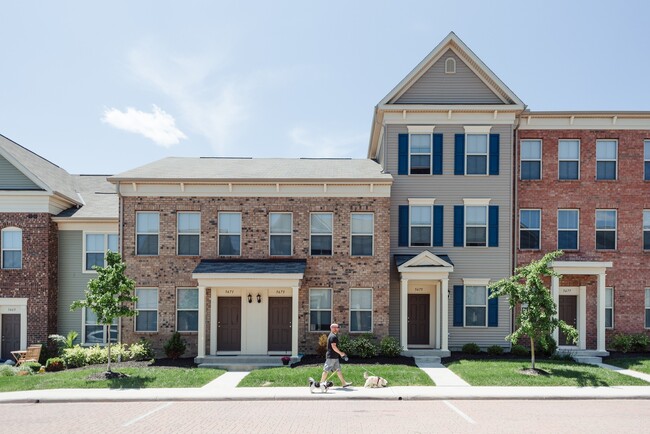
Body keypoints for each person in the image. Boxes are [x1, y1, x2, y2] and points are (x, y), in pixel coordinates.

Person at [320, 323, 352, 387]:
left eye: (338, 327)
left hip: (334, 357)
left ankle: (344, 383)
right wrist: (341, 353)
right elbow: (333, 347)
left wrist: (339, 354)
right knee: (326, 370)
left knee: (338, 370)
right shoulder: (333, 336)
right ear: (333, 328)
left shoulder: (333, 335)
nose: (338, 328)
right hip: (331, 357)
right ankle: (321, 384)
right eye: (337, 327)